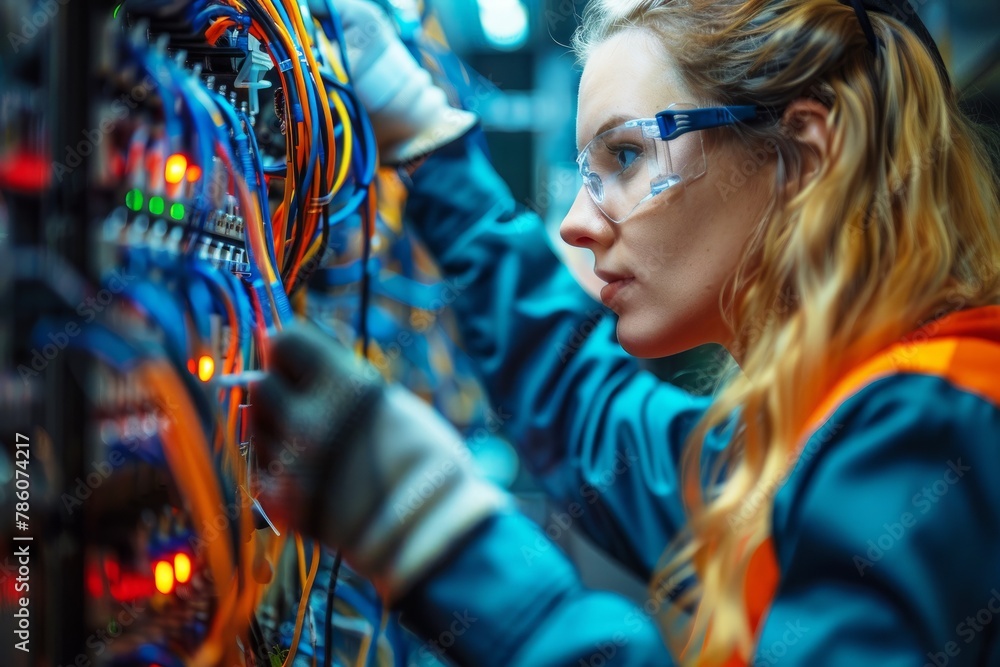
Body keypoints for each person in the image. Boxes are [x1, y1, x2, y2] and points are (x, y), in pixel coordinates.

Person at [252, 0, 1000, 664]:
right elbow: (591, 415)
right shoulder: (817, 436)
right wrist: (431, 146)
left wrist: (442, 542)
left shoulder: (928, 427)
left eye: (629, 154)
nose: (576, 224)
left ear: (802, 154)